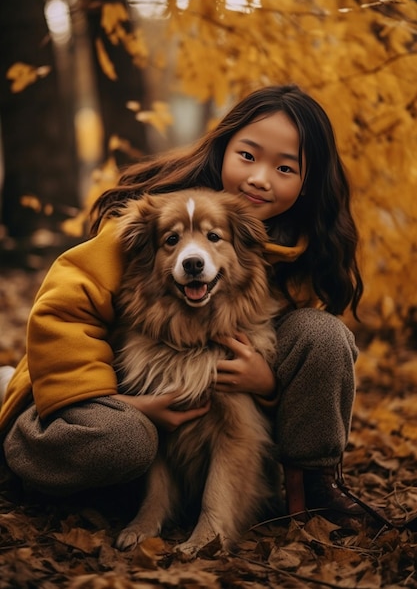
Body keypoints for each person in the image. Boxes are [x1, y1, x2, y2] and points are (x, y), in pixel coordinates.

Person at [0, 84, 364, 519]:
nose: (260, 178)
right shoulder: (150, 217)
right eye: (248, 155)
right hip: (88, 396)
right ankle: (23, 450)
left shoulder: (303, 250)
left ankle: (316, 483)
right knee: (124, 438)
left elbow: (310, 371)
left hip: (214, 407)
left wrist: (268, 384)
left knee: (324, 334)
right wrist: (127, 405)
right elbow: (61, 311)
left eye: (286, 168)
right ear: (223, 146)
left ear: (308, 183)